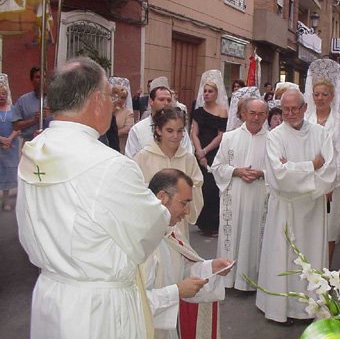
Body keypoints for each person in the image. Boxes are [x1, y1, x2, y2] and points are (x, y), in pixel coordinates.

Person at [16, 57, 170, 339]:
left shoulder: (35, 149)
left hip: (51, 295)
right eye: (110, 96)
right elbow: (147, 232)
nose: (113, 104)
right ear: (97, 100)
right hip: (98, 310)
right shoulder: (109, 164)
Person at [256, 88, 336, 324]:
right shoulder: (274, 136)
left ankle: (310, 307)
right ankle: (279, 307)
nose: (290, 113)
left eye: (295, 108)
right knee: (282, 255)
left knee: (310, 256)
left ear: (305, 108)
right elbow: (278, 175)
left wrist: (293, 168)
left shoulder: (322, 134)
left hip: (312, 208)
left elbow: (330, 171)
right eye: (286, 109)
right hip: (285, 208)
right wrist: (311, 165)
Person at [143, 168, 233, 339]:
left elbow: (180, 270)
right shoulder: (139, 241)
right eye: (184, 203)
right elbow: (132, 302)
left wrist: (210, 268)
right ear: (162, 197)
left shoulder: (169, 232)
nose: (187, 211)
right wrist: (176, 292)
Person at [212, 99, 269, 291]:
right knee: (233, 234)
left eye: (261, 114)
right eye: (252, 113)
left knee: (253, 236)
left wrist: (262, 173)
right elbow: (217, 166)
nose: (255, 117)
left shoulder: (272, 140)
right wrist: (237, 171)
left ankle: (250, 281)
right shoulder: (229, 137)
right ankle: (228, 278)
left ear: (266, 116)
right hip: (234, 196)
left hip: (259, 198)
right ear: (243, 114)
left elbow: (279, 171)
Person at [304, 59, 340, 269]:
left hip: (333, 185)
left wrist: (329, 185)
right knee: (308, 228)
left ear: (332, 96)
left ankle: (324, 271)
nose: (320, 98)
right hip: (308, 181)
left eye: (325, 94)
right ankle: (307, 269)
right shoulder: (306, 118)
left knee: (329, 230)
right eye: (317, 94)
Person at [134, 108, 203, 240]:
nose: (175, 136)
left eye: (180, 131)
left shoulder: (188, 159)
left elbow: (197, 188)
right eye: (170, 131)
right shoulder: (143, 157)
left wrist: (184, 195)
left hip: (179, 225)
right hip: (151, 225)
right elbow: (135, 190)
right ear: (159, 130)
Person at [191, 70, 228, 236]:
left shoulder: (222, 111)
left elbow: (221, 135)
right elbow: (193, 132)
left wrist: (206, 151)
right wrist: (199, 151)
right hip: (199, 152)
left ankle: (213, 223)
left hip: (214, 153)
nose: (206, 94)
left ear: (216, 93)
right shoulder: (198, 111)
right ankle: (202, 222)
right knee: (201, 187)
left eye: (210, 91)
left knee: (212, 188)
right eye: (205, 91)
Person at [126, 76, 192, 158]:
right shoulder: (137, 129)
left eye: (168, 100)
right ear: (151, 101)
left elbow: (188, 154)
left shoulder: (179, 129)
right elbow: (131, 159)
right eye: (161, 99)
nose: (166, 103)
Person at [12, 67, 51, 141]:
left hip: (50, 143)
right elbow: (16, 126)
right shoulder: (23, 100)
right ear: (32, 80)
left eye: (44, 77)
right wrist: (33, 120)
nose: (42, 80)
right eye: (38, 77)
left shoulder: (56, 99)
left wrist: (52, 114)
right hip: (29, 142)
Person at [0, 75, 20, 211]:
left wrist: (10, 138)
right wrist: (2, 139)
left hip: (11, 147)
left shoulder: (14, 109)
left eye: (3, 94)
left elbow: (19, 126)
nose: (1, 96)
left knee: (7, 174)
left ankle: (5, 202)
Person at [111, 83, 134, 153]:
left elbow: (127, 129)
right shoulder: (107, 110)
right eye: (118, 97)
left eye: (123, 98)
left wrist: (112, 135)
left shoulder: (128, 112)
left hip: (120, 146)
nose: (120, 100)